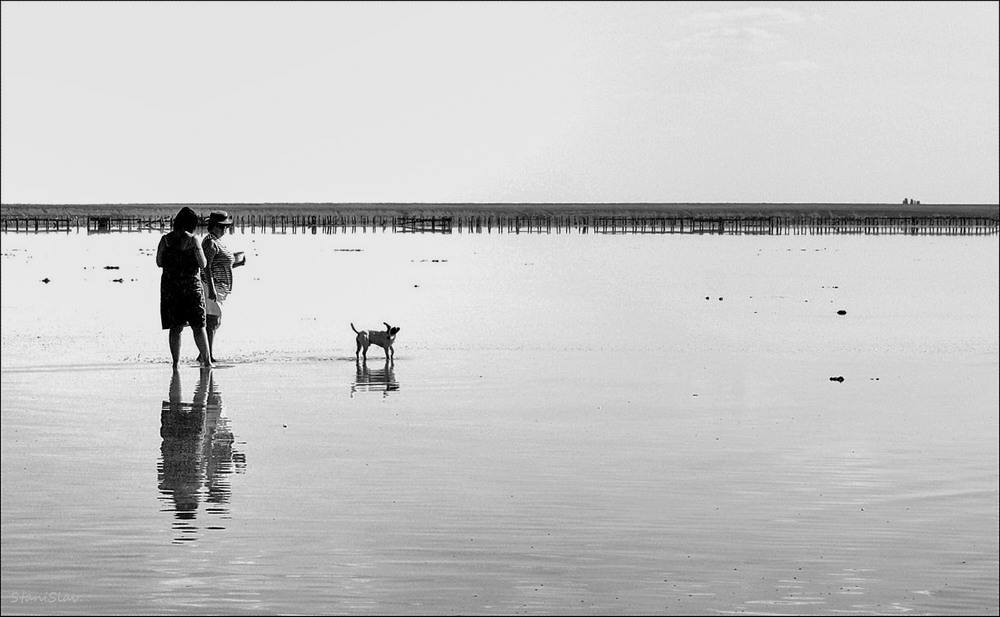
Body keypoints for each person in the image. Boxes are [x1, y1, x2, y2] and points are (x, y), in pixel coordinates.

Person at [156, 207, 213, 368]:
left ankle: (175, 363)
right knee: (198, 326)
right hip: (191, 288)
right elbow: (203, 264)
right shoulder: (193, 240)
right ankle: (207, 362)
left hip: (171, 289)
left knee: (175, 328)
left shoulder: (165, 240)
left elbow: (159, 262)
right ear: (192, 225)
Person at [199, 210, 245, 364]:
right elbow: (206, 267)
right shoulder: (210, 243)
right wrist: (211, 288)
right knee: (212, 321)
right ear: (214, 226)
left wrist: (237, 262)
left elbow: (221, 263)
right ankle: (207, 355)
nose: (225, 229)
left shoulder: (217, 241)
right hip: (212, 285)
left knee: (214, 321)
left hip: (220, 286)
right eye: (222, 226)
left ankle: (205, 354)